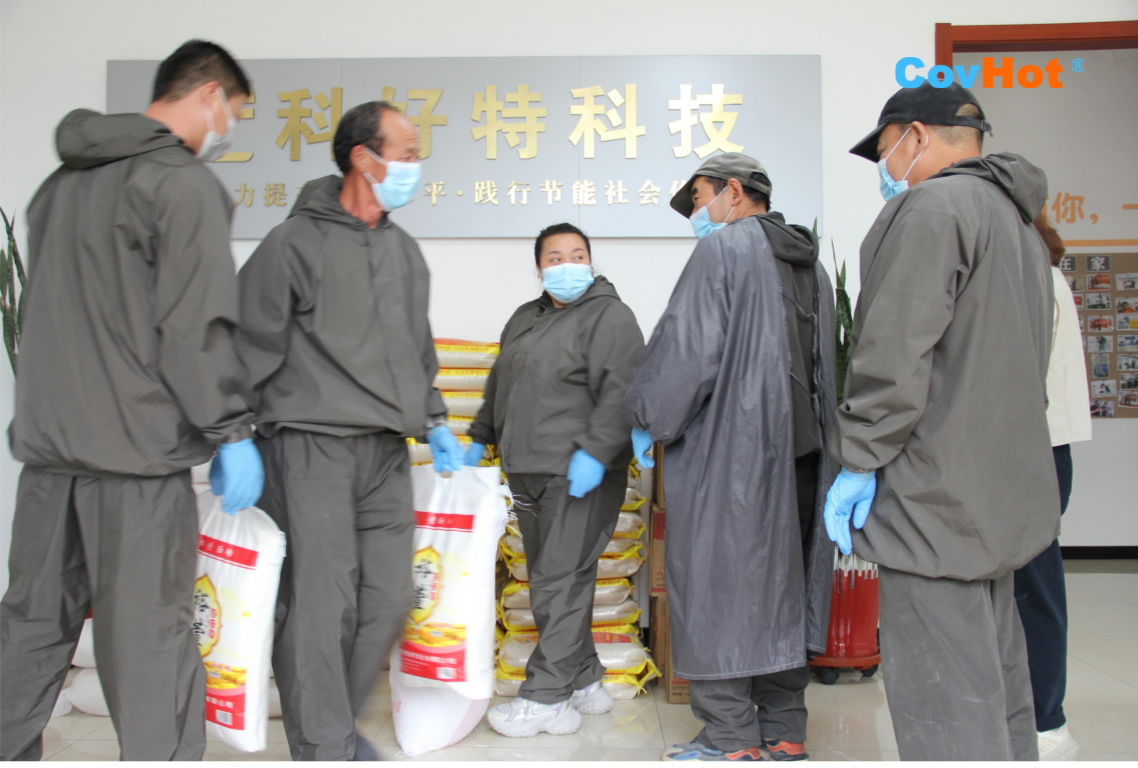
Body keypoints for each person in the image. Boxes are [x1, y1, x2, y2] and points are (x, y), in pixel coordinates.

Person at [1, 41, 259, 761]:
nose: (228, 131)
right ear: (208, 95)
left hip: (50, 455)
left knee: (29, 625)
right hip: (135, 463)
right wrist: (231, 429)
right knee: (148, 637)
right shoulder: (180, 185)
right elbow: (196, 327)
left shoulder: (60, 184)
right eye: (234, 114)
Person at [824, 81, 1060, 761]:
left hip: (934, 503)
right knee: (996, 686)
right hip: (995, 499)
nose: (885, 168)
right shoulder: (1016, 221)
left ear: (917, 136)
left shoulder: (933, 207)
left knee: (947, 705)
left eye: (885, 152)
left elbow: (894, 353)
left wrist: (860, 458)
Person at [234, 100, 462, 761]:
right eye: (408, 153)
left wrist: (435, 418)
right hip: (311, 446)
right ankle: (325, 744)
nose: (416, 165)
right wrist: (232, 435)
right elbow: (244, 343)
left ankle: (332, 724)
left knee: (388, 597)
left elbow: (415, 349)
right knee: (320, 605)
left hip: (385, 452)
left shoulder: (403, 250)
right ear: (364, 157)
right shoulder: (292, 244)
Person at [625, 153, 837, 762]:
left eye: (698, 197)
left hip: (734, 462)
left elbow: (684, 355)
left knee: (720, 589)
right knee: (784, 595)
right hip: (803, 462)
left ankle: (729, 736)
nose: (696, 212)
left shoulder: (723, 251)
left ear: (733, 192)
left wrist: (646, 418)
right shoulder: (812, 265)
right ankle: (784, 729)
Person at [466, 222, 645, 738]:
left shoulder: (610, 315)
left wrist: (595, 452)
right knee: (552, 579)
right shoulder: (525, 317)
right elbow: (501, 382)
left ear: (591, 261)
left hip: (578, 472)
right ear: (540, 268)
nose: (567, 265)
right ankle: (585, 679)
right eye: (555, 257)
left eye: (577, 255)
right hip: (527, 468)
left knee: (559, 581)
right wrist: (480, 435)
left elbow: (622, 390)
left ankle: (545, 697)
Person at [1015, 213, 1091, 761]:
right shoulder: (1042, 274)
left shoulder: (1037, 278)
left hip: (1035, 448)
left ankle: (1047, 720)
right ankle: (1036, 712)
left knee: (1035, 584)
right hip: (1041, 447)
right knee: (1031, 582)